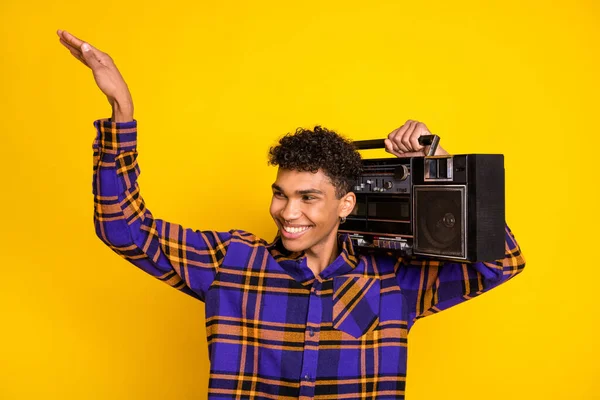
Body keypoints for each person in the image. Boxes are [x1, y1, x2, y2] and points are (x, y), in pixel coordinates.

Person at [57, 30, 525, 399]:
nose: (287, 212)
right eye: (280, 194)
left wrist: (440, 165)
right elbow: (123, 227)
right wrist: (122, 110)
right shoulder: (232, 261)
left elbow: (501, 260)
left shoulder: (392, 282)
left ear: (346, 204)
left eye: (307, 198)